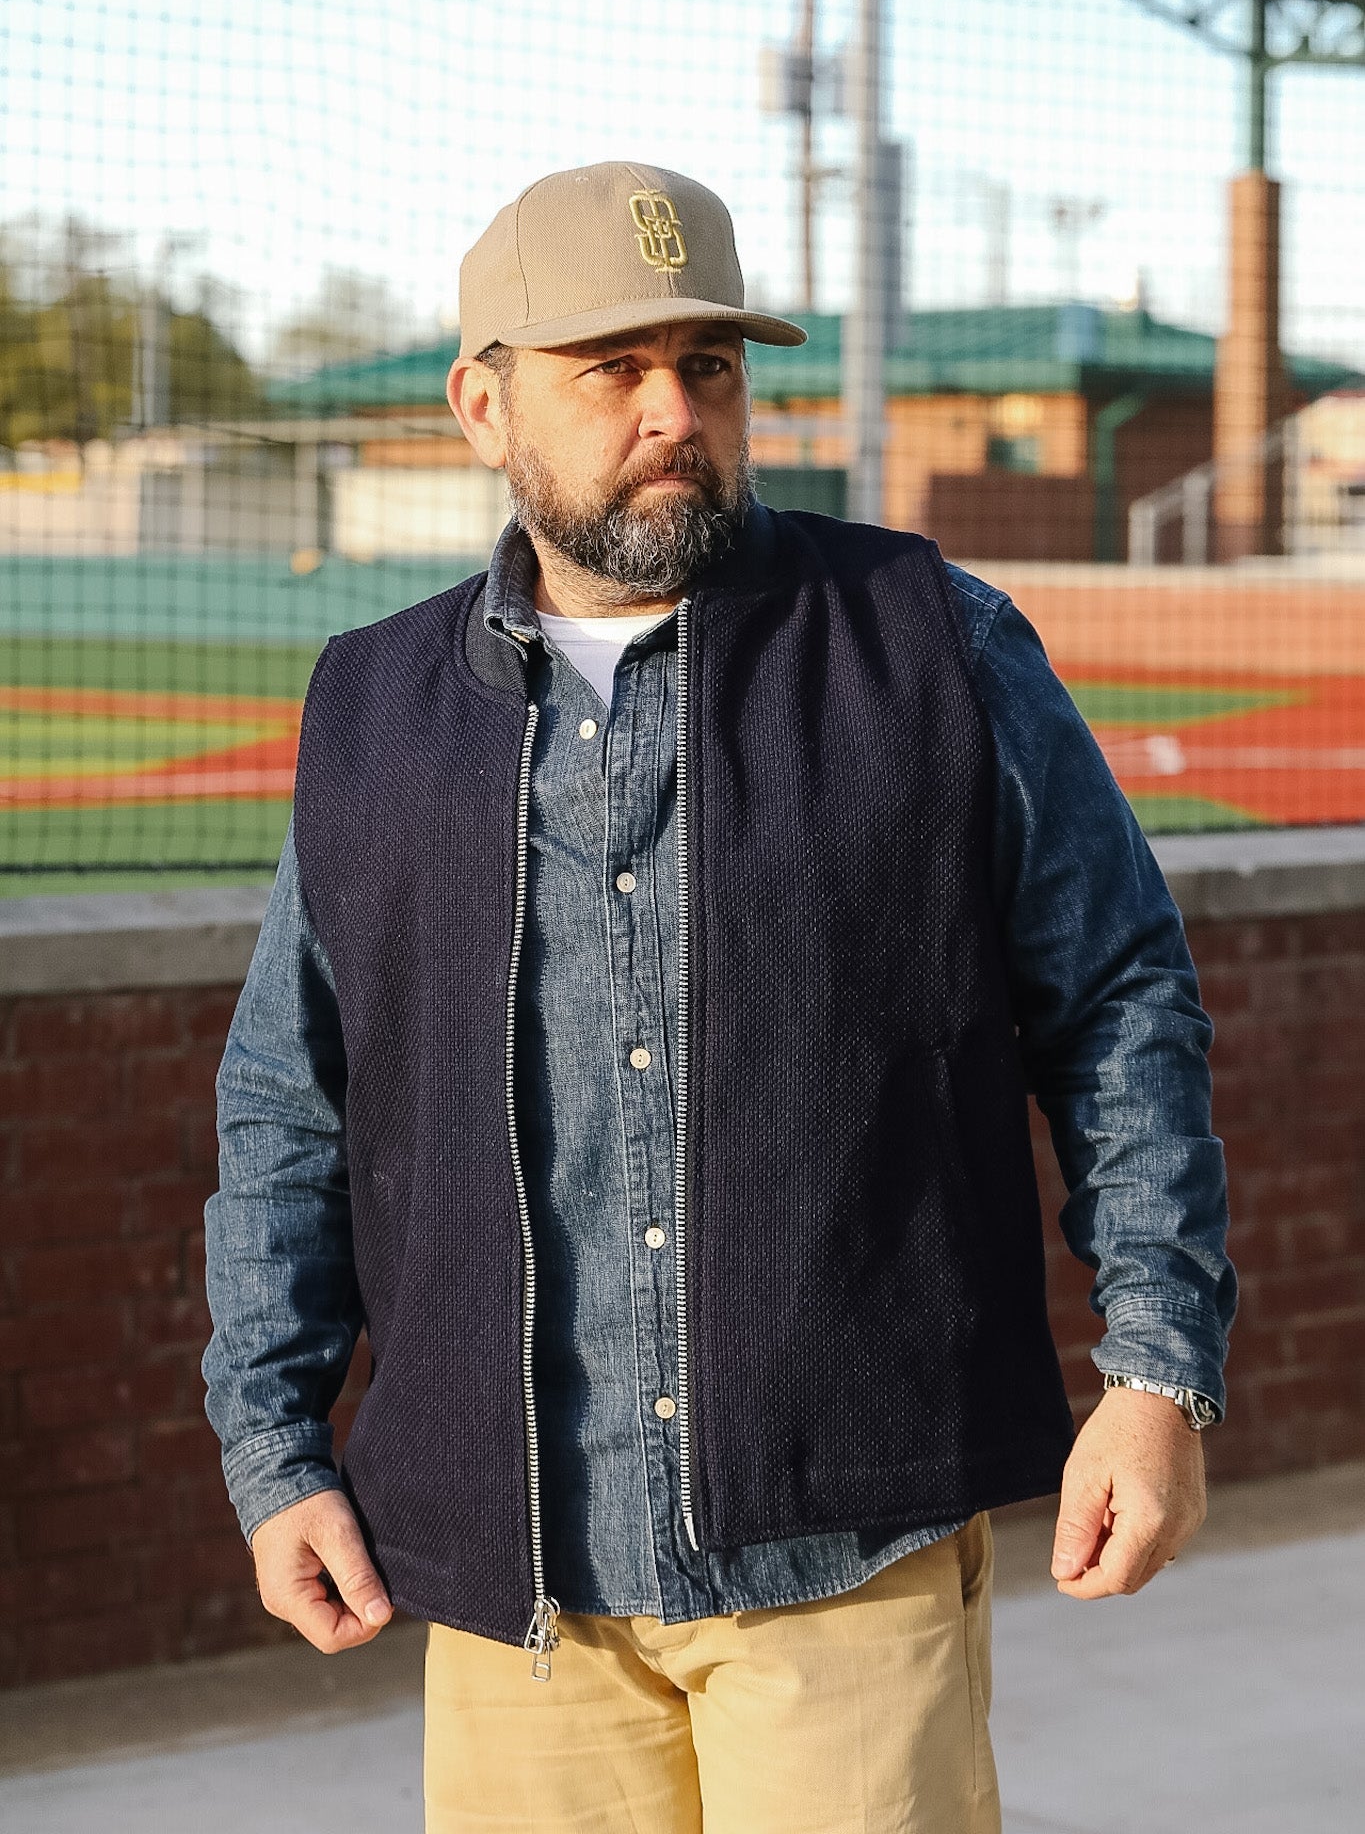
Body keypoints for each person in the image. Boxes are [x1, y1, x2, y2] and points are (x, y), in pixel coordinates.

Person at [203, 160, 1236, 1834]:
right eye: (610, 368)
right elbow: (289, 1103)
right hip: (515, 1579)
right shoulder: (370, 709)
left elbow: (1120, 1003)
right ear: (482, 402)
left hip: (849, 1556)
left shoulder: (933, 643)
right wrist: (276, 1453)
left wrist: (1156, 1366)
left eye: (711, 365)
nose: (674, 409)